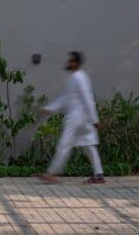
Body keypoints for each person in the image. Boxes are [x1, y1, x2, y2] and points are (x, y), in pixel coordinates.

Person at [38, 51, 105, 184]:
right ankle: (99, 174)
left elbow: (87, 98)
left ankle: (51, 173)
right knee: (88, 145)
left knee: (65, 144)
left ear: (76, 63)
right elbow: (65, 98)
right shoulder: (78, 77)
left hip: (76, 118)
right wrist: (49, 108)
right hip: (83, 118)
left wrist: (95, 120)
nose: (68, 63)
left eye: (71, 61)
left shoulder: (77, 77)